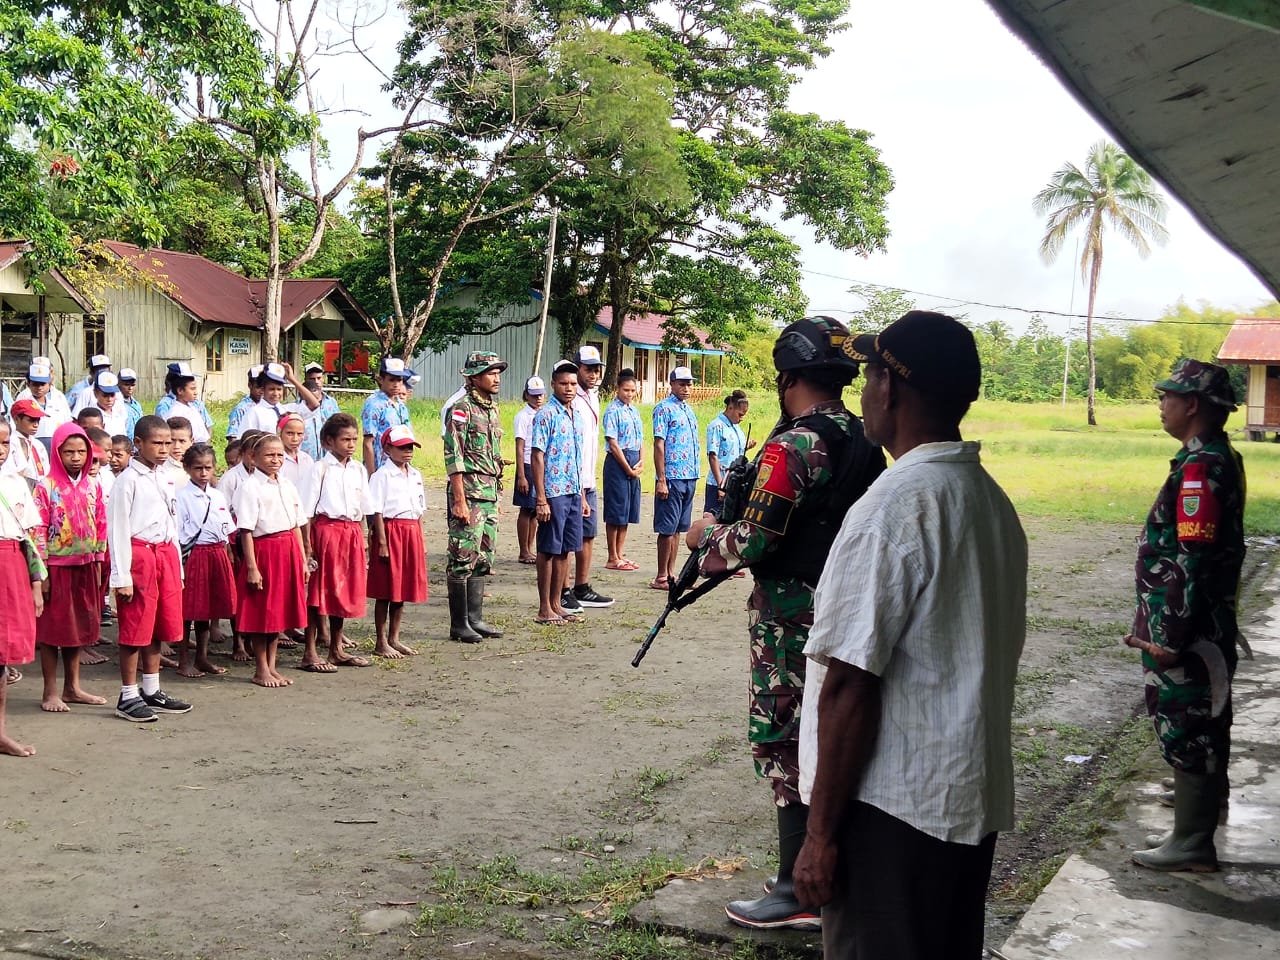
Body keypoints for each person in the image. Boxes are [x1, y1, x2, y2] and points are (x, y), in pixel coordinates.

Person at [791, 311, 1027, 960]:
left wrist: (820, 836)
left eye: (868, 375)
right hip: (959, 801)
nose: (863, 392)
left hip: (891, 813)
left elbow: (849, 684)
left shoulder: (894, 508)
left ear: (888, 388)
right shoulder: (986, 500)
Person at [684, 318, 886, 931]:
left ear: (788, 376)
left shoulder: (793, 446)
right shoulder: (862, 438)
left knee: (785, 738)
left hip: (792, 618)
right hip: (843, 605)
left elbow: (753, 539)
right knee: (828, 734)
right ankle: (825, 875)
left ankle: (796, 889)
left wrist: (704, 537)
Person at [1124, 359, 1245, 873]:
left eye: (1167, 397)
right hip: (1205, 621)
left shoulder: (1200, 468)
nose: (1162, 405)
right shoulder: (1214, 456)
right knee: (1205, 715)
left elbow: (1192, 557)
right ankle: (1201, 804)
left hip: (1189, 628)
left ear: (1191, 404)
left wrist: (1170, 636)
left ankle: (1193, 841)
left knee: (1187, 719)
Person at [108, 415, 194, 722]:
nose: (163, 449)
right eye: (156, 443)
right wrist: (122, 576)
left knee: (159, 624)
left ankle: (151, 688)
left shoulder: (166, 476)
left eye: (167, 443)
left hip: (165, 553)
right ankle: (128, 694)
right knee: (135, 627)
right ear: (138, 443)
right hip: (139, 556)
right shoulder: (127, 481)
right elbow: (117, 529)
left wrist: (177, 569)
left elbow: (172, 521)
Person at [33, 422, 109, 713]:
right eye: (68, 452)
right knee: (52, 631)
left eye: (81, 452)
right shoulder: (46, 486)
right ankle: (50, 691)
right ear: (57, 452)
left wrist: (99, 559)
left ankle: (73, 687)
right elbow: (38, 529)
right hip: (56, 567)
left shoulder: (93, 485)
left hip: (86, 565)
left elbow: (101, 522)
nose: (76, 458)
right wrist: (42, 573)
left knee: (77, 627)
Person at [232, 434, 308, 687]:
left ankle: (272, 666)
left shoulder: (286, 484)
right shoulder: (250, 486)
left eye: (279, 455)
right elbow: (246, 530)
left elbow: (296, 525)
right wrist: (252, 567)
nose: (275, 460)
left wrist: (302, 559)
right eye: (269, 455)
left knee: (279, 612)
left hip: (288, 549)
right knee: (262, 610)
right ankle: (261, 668)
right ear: (253, 457)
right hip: (265, 551)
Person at [443, 351, 506, 643]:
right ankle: (459, 625)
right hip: (468, 493)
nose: (496, 378)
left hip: (488, 493)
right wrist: (459, 500)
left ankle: (475, 619)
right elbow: (454, 456)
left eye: (497, 372)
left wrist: (497, 494)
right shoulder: (461, 409)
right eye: (490, 372)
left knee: (483, 557)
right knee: (462, 557)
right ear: (474, 376)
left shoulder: (492, 409)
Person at [300, 413, 372, 670]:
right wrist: (308, 545)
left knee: (344, 590)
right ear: (329, 441)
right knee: (318, 592)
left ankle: (336, 648)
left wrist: (363, 538)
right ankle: (310, 651)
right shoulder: (320, 469)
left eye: (354, 439)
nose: (351, 444)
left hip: (350, 532)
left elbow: (364, 507)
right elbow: (306, 510)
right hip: (326, 532)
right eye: (345, 440)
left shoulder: (358, 469)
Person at [0, 419, 46, 757]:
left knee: (2, 653)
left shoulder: (15, 483)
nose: (0, 450)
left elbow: (30, 539)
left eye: (5, 443)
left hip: (11, 566)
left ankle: (0, 731)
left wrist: (36, 584)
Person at [531, 361, 586, 626]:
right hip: (553, 492)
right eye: (563, 383)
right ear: (553, 384)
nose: (569, 388)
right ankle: (544, 607)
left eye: (573, 384)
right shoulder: (546, 415)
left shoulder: (577, 414)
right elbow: (537, 456)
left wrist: (582, 495)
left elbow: (577, 458)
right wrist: (541, 498)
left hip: (573, 490)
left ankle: (557, 603)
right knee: (548, 549)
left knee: (566, 549)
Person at [367, 426, 428, 659]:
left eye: (410, 447)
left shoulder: (415, 475)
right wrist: (382, 542)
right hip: (391, 530)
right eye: (402, 447)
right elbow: (377, 511)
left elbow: (419, 510)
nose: (407, 451)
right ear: (387, 449)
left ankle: (395, 637)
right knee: (386, 588)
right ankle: (381, 640)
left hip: (411, 531)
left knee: (402, 588)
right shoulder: (381, 475)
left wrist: (421, 539)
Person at [176, 442, 236, 679]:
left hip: (216, 553)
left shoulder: (217, 495)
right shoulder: (181, 497)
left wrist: (228, 551)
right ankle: (183, 660)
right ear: (187, 468)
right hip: (194, 554)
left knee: (208, 608)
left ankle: (202, 657)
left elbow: (226, 528)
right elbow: (179, 531)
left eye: (207, 468)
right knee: (189, 609)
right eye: (198, 468)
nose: (203, 473)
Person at [566, 345, 612, 610]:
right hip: (574, 481)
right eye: (588, 369)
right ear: (577, 369)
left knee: (588, 534)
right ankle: (564, 589)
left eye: (597, 369)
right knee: (570, 538)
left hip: (589, 478)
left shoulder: (593, 397)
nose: (593, 374)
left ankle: (582, 586)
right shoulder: (572, 399)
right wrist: (579, 487)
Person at [651, 366, 700, 589]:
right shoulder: (663, 409)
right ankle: (661, 575)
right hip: (672, 476)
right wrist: (661, 479)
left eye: (689, 384)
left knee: (679, 528)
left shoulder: (688, 410)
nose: (686, 388)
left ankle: (671, 573)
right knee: (667, 528)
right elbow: (658, 444)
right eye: (682, 384)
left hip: (689, 475)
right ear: (671, 384)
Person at [602, 368, 644, 571]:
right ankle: (612, 556)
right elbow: (613, 442)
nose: (629, 394)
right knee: (616, 510)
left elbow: (641, 439)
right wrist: (627, 468)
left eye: (632, 390)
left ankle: (620, 554)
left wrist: (642, 461)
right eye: (626, 390)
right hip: (618, 463)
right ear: (617, 389)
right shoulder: (612, 411)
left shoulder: (634, 411)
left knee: (627, 511)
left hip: (634, 461)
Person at [512, 376, 546, 564]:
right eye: (534, 395)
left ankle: (530, 548)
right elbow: (519, 447)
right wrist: (521, 476)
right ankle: (523, 550)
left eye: (540, 395)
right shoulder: (523, 416)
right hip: (527, 464)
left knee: (534, 510)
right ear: (526, 395)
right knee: (526, 509)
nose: (538, 398)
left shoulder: (544, 414)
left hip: (540, 464)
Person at [705, 389, 754, 514]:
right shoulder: (717, 426)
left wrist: (746, 446)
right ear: (731, 407)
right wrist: (720, 486)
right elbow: (713, 456)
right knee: (712, 519)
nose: (742, 418)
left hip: (734, 482)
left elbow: (733, 450)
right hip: (719, 483)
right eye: (740, 414)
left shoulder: (737, 427)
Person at [362, 357, 414, 474]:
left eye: (399, 380)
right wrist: (372, 475)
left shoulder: (400, 405)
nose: (396, 384)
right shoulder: (374, 404)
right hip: (381, 468)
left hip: (400, 466)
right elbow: (368, 442)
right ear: (381, 380)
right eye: (391, 380)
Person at [239, 362, 320, 435]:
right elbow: (244, 440)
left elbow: (314, 404)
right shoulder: (254, 413)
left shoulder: (286, 410)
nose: (276, 393)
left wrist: (292, 379)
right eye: (271, 389)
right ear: (263, 390)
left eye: (279, 389)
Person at [13, 358, 71, 448]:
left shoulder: (59, 397)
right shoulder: (23, 398)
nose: (39, 388)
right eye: (35, 384)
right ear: (28, 384)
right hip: (30, 444)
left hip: (57, 444)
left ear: (49, 383)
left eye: (42, 384)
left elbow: (67, 422)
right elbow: (14, 424)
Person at [154, 362, 212, 443]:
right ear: (180, 390)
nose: (196, 392)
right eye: (192, 389)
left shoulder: (192, 406)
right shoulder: (175, 412)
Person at [300, 362, 341, 461]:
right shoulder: (298, 406)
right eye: (312, 379)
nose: (316, 382)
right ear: (306, 380)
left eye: (319, 378)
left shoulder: (331, 403)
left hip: (328, 454)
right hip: (306, 455)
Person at [4, 399, 51, 481]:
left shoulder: (38, 444)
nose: (36, 424)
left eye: (38, 420)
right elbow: (10, 472)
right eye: (31, 420)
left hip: (42, 486)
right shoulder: (10, 443)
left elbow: (47, 471)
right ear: (16, 419)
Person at [73, 371, 128, 437]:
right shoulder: (92, 417)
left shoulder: (118, 416)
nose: (109, 399)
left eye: (112, 395)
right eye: (105, 395)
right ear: (95, 393)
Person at [226, 365, 265, 441]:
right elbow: (233, 438)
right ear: (250, 385)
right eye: (258, 387)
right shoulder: (241, 409)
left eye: (264, 388)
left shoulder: (270, 407)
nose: (261, 391)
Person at [277, 412, 313, 488]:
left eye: (299, 434)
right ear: (279, 433)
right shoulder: (276, 460)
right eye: (290, 433)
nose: (295, 439)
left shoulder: (307, 459)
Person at [162, 418, 194, 486]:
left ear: (191, 441)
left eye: (182, 441)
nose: (176, 446)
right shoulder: (159, 468)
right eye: (172, 441)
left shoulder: (200, 464)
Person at [116, 369, 144, 439]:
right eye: (126, 385)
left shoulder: (136, 405)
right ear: (118, 384)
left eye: (132, 385)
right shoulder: (115, 405)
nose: (130, 388)